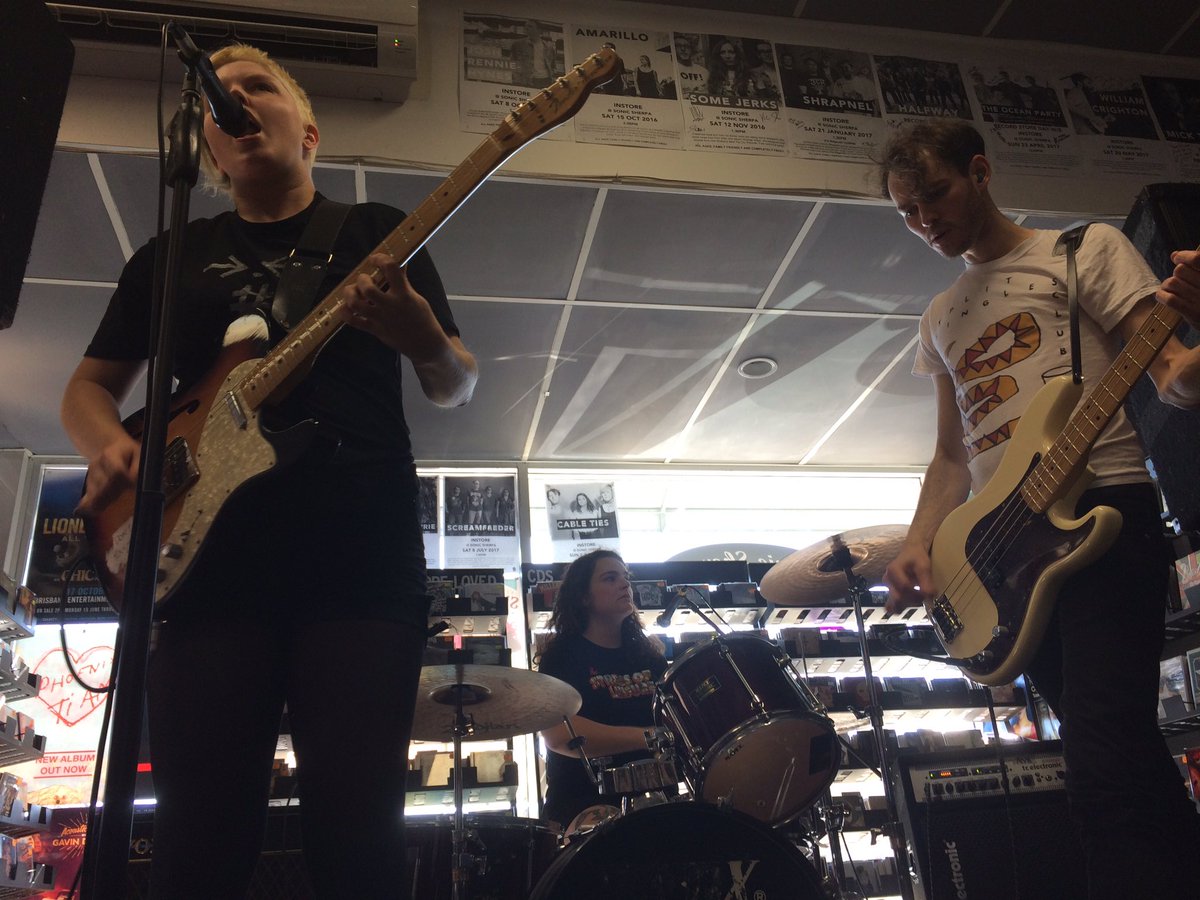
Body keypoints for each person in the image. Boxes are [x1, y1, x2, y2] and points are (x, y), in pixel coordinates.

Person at [60, 43, 478, 898]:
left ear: (310, 131)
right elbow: (88, 387)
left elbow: (456, 383)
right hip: (208, 573)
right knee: (198, 842)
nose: (236, 99)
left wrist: (421, 336)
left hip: (360, 568)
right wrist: (107, 442)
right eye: (223, 96)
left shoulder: (375, 236)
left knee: (358, 839)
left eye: (258, 86)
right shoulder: (169, 256)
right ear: (209, 148)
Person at [877, 119, 1200, 900]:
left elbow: (1173, 377)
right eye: (907, 214)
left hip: (1104, 513)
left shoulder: (1079, 250)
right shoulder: (939, 318)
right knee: (1116, 745)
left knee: (1096, 754)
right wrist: (920, 542)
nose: (926, 223)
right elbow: (954, 456)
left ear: (980, 172)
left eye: (936, 198)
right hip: (1011, 553)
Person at [535, 550, 668, 831]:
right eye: (610, 578)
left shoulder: (649, 657)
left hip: (656, 801)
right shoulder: (561, 657)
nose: (625, 585)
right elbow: (560, 734)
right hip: (584, 807)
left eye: (626, 578)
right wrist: (650, 737)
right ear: (583, 597)